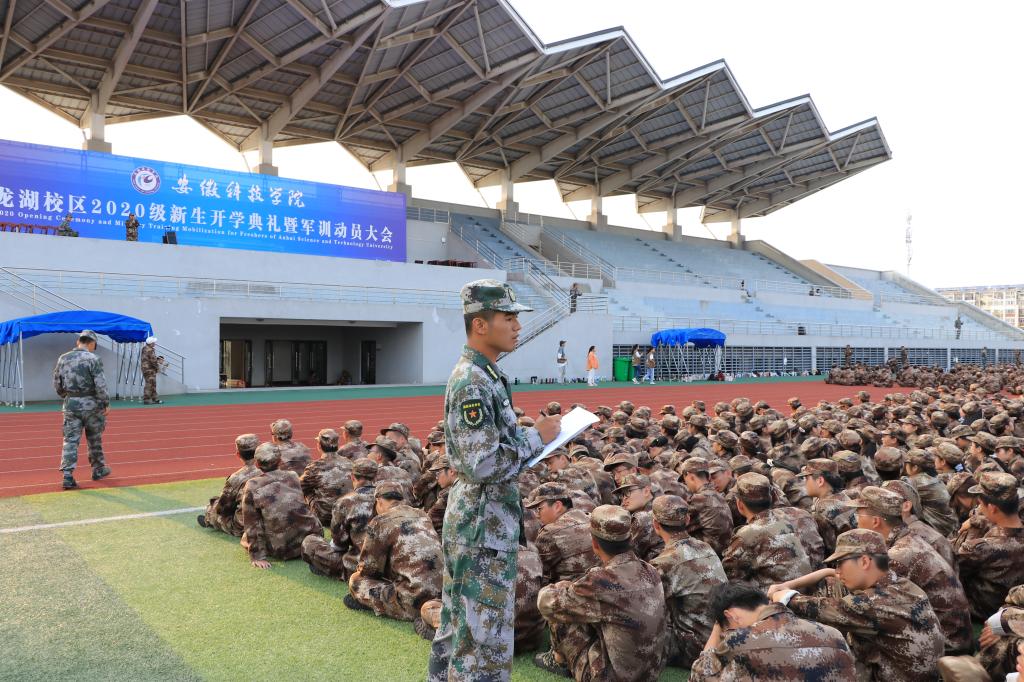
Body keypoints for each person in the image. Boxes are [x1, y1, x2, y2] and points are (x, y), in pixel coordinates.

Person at [427, 279, 560, 682]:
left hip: (482, 521)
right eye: (508, 317)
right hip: (480, 526)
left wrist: (533, 436)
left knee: (459, 627)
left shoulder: (486, 374)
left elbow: (495, 448)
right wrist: (538, 437)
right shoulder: (473, 381)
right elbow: (483, 463)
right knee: (481, 641)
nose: (517, 326)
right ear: (480, 325)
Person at [772, 529, 944, 682]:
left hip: (893, 676)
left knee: (816, 659)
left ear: (864, 562)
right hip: (913, 672)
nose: (837, 570)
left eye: (840, 563)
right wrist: (787, 585)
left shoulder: (874, 602)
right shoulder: (900, 584)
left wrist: (785, 596)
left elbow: (822, 609)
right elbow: (829, 574)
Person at [535, 504, 667, 680]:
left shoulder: (602, 581)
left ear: (594, 543)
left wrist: (560, 586)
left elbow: (545, 603)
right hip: (650, 673)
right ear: (629, 539)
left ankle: (557, 661)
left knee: (560, 612)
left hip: (612, 677)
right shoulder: (649, 570)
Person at [690, 583, 855, 681]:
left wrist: (717, 627)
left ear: (731, 616)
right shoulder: (833, 634)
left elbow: (699, 675)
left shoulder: (740, 640)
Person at [648, 495, 727, 668]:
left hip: (694, 648)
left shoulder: (665, 562)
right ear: (688, 519)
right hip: (720, 639)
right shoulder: (705, 547)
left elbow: (646, 608)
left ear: (655, 525)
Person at [346, 481, 443, 620]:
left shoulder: (380, 521)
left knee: (356, 580)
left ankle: (377, 603)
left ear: (379, 501)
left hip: (413, 600)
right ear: (401, 499)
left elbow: (368, 570)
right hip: (441, 594)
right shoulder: (422, 515)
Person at [954, 472, 1024, 620]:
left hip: (980, 614)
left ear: (992, 508)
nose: (979, 509)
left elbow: (952, 571)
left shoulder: (979, 548)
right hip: (1013, 611)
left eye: (980, 504)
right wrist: (977, 520)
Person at [240, 443, 322, 569]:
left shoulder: (252, 485)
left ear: (257, 464)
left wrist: (257, 556)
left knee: (245, 537)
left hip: (282, 548)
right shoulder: (293, 475)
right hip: (309, 539)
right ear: (280, 461)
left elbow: (251, 522)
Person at [53, 329, 111, 489]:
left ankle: (67, 476)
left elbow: (57, 383)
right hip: (92, 405)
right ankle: (98, 469)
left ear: (78, 341)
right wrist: (105, 403)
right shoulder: (94, 359)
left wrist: (69, 396)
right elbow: (101, 384)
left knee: (70, 440)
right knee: (94, 439)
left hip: (71, 405)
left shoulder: (63, 358)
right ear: (92, 343)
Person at [198, 433, 261, 535]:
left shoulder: (236, 478)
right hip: (272, 520)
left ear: (238, 454)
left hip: (247, 526)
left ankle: (208, 519)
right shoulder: (272, 466)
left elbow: (222, 508)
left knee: (213, 509)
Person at [140, 336, 163, 404]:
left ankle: (154, 399)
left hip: (146, 369)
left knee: (151, 384)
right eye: (154, 342)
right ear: (151, 343)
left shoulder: (144, 348)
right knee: (150, 384)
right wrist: (157, 368)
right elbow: (153, 360)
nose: (155, 343)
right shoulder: (150, 350)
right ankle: (148, 399)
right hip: (150, 369)